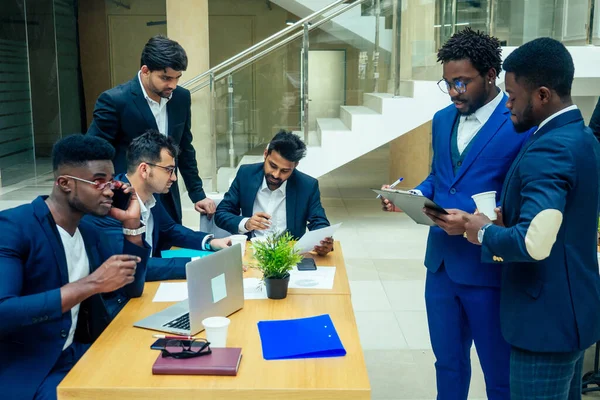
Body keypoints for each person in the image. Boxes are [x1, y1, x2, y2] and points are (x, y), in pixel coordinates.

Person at [381, 28, 531, 399]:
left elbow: (523, 195)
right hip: (442, 267)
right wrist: (412, 195)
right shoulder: (441, 119)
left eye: (462, 83)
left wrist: (477, 221)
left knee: (499, 373)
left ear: (490, 76)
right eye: (447, 83)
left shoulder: (518, 123)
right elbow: (439, 178)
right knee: (447, 364)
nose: (453, 92)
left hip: (488, 268)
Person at [463, 37, 600, 400]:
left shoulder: (549, 148)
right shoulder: (582, 137)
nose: (507, 103)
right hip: (574, 317)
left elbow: (533, 243)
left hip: (544, 326)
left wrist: (485, 231)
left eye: (512, 94)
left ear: (541, 95)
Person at [0, 135, 150, 400]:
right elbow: (4, 311)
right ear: (65, 183)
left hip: (79, 352)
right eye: (98, 181)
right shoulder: (14, 227)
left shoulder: (88, 232)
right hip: (34, 368)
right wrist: (91, 284)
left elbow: (132, 289)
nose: (110, 190)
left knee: (154, 369)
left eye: (111, 180)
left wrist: (131, 226)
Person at [87, 34, 215, 225]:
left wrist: (198, 194)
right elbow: (94, 153)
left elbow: (184, 149)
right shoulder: (115, 101)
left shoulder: (181, 98)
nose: (172, 84)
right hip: (127, 199)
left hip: (168, 198)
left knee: (170, 246)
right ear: (145, 70)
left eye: (177, 78)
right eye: (165, 78)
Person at [85, 130, 231, 282]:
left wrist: (210, 242)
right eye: (169, 170)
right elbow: (132, 266)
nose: (174, 178)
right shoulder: (113, 202)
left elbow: (170, 229)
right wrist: (199, 264)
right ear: (144, 170)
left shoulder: (152, 195)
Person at [215, 130, 333, 256]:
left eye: (285, 171)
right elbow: (222, 213)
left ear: (295, 165)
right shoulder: (246, 175)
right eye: (273, 166)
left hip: (288, 255)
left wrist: (324, 241)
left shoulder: (307, 186)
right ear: (265, 154)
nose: (276, 175)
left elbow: (319, 221)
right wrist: (246, 223)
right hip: (251, 251)